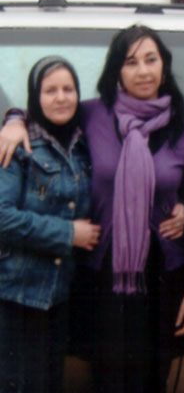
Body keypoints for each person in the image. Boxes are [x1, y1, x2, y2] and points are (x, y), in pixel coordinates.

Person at [0, 25, 184, 393]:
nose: (143, 71)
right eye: (131, 62)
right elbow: (47, 106)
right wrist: (13, 119)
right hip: (101, 275)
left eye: (151, 59)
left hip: (163, 277)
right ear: (117, 70)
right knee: (106, 378)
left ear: (164, 65)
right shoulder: (94, 114)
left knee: (153, 379)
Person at [0, 56, 100, 392]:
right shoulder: (18, 145)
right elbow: (2, 217)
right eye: (50, 90)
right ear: (35, 97)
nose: (61, 97)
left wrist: (176, 205)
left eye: (68, 89)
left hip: (58, 300)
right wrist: (69, 234)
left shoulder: (83, 147)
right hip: (16, 297)